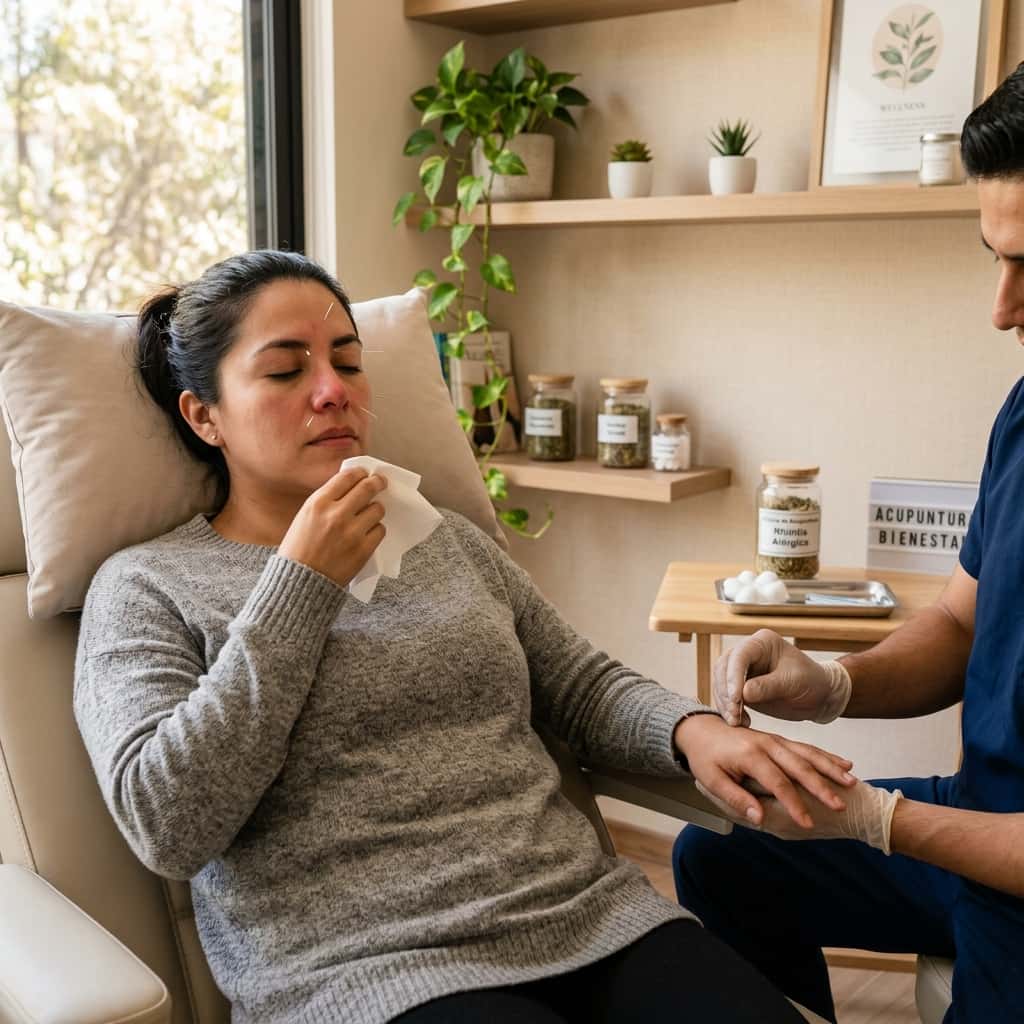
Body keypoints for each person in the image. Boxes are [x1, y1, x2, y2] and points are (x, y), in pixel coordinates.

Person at [73, 249, 853, 1024]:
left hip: (590, 919)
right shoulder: (144, 586)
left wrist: (693, 729)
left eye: (348, 362)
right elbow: (169, 824)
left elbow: (580, 686)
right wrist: (300, 585)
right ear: (203, 414)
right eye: (285, 371)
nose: (331, 391)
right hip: (365, 971)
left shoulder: (443, 538)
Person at [673, 64, 1024, 1024]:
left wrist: (881, 821)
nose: (1001, 308)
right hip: (980, 812)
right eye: (995, 257)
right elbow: (960, 621)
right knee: (721, 848)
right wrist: (833, 685)